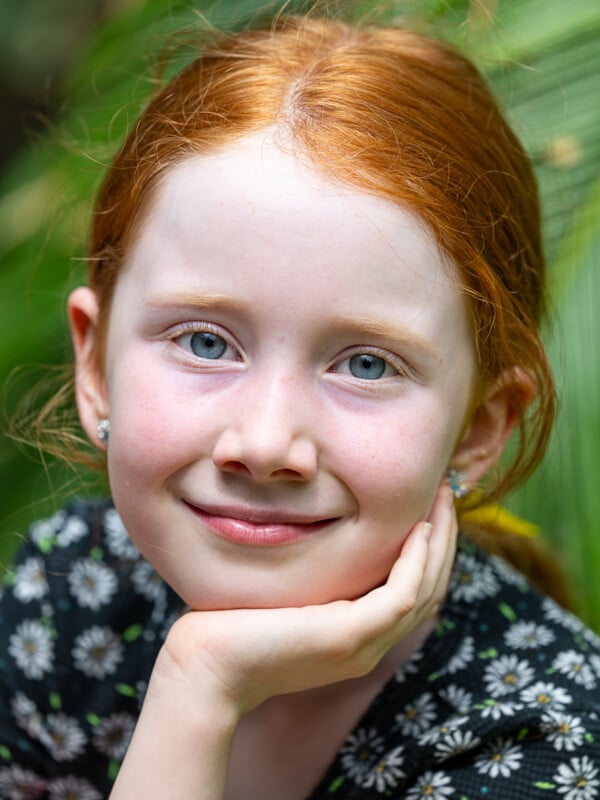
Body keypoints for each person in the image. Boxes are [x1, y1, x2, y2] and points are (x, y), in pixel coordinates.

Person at [1, 12, 599, 800]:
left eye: (366, 363)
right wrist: (196, 692)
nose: (266, 440)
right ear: (95, 363)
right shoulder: (74, 591)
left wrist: (199, 683)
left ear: (480, 428)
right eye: (206, 343)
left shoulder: (539, 739)